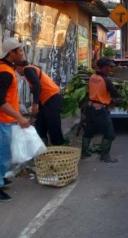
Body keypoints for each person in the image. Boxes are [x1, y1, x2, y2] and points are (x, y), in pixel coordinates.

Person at [0, 38, 30, 201]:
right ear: (11, 53)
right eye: (19, 51)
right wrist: (19, 117)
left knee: (5, 154)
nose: (22, 53)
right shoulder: (5, 72)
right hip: (2, 120)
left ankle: (1, 178)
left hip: (6, 119)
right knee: (2, 155)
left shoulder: (6, 69)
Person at [16, 61, 64, 146]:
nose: (17, 72)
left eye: (16, 70)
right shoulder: (30, 70)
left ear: (19, 67)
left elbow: (37, 85)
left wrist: (35, 104)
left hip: (52, 97)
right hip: (46, 100)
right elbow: (36, 88)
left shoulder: (27, 69)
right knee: (40, 124)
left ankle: (59, 150)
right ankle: (42, 148)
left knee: (53, 125)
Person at [82, 58, 119, 163]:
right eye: (108, 67)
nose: (110, 69)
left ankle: (84, 153)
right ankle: (105, 156)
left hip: (90, 108)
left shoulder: (92, 77)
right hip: (100, 110)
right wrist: (116, 100)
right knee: (109, 133)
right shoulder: (106, 80)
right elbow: (116, 95)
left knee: (89, 131)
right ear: (103, 67)